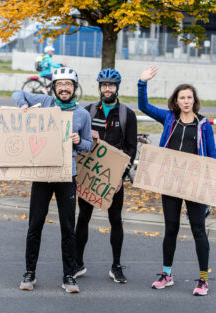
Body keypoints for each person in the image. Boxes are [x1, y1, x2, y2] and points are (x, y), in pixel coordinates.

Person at [12, 67, 93, 293]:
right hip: (42, 172)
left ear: (74, 88)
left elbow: (88, 145)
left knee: (68, 227)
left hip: (67, 174)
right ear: (54, 88)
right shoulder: (45, 102)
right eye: (60, 84)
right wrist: (23, 106)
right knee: (35, 224)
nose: (64, 88)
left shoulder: (82, 114)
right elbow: (18, 94)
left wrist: (78, 140)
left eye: (68, 84)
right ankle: (30, 272)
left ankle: (69, 275)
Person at [138, 66, 216, 296]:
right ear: (176, 100)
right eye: (182, 97)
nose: (186, 101)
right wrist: (142, 83)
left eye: (189, 97)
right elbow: (143, 106)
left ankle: (203, 280)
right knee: (170, 228)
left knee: (198, 230)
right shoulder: (168, 118)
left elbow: (212, 156)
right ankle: (167, 274)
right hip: (170, 182)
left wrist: (210, 188)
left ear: (194, 100)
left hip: (195, 184)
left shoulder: (204, 125)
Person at [74, 69, 137, 283]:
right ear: (99, 87)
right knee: (83, 218)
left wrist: (121, 175)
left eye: (111, 85)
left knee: (115, 220)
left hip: (114, 178)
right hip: (90, 175)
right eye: (104, 85)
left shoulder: (127, 114)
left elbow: (131, 149)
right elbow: (78, 142)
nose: (107, 88)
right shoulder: (88, 111)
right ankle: (77, 263)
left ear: (117, 87)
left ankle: (116, 266)